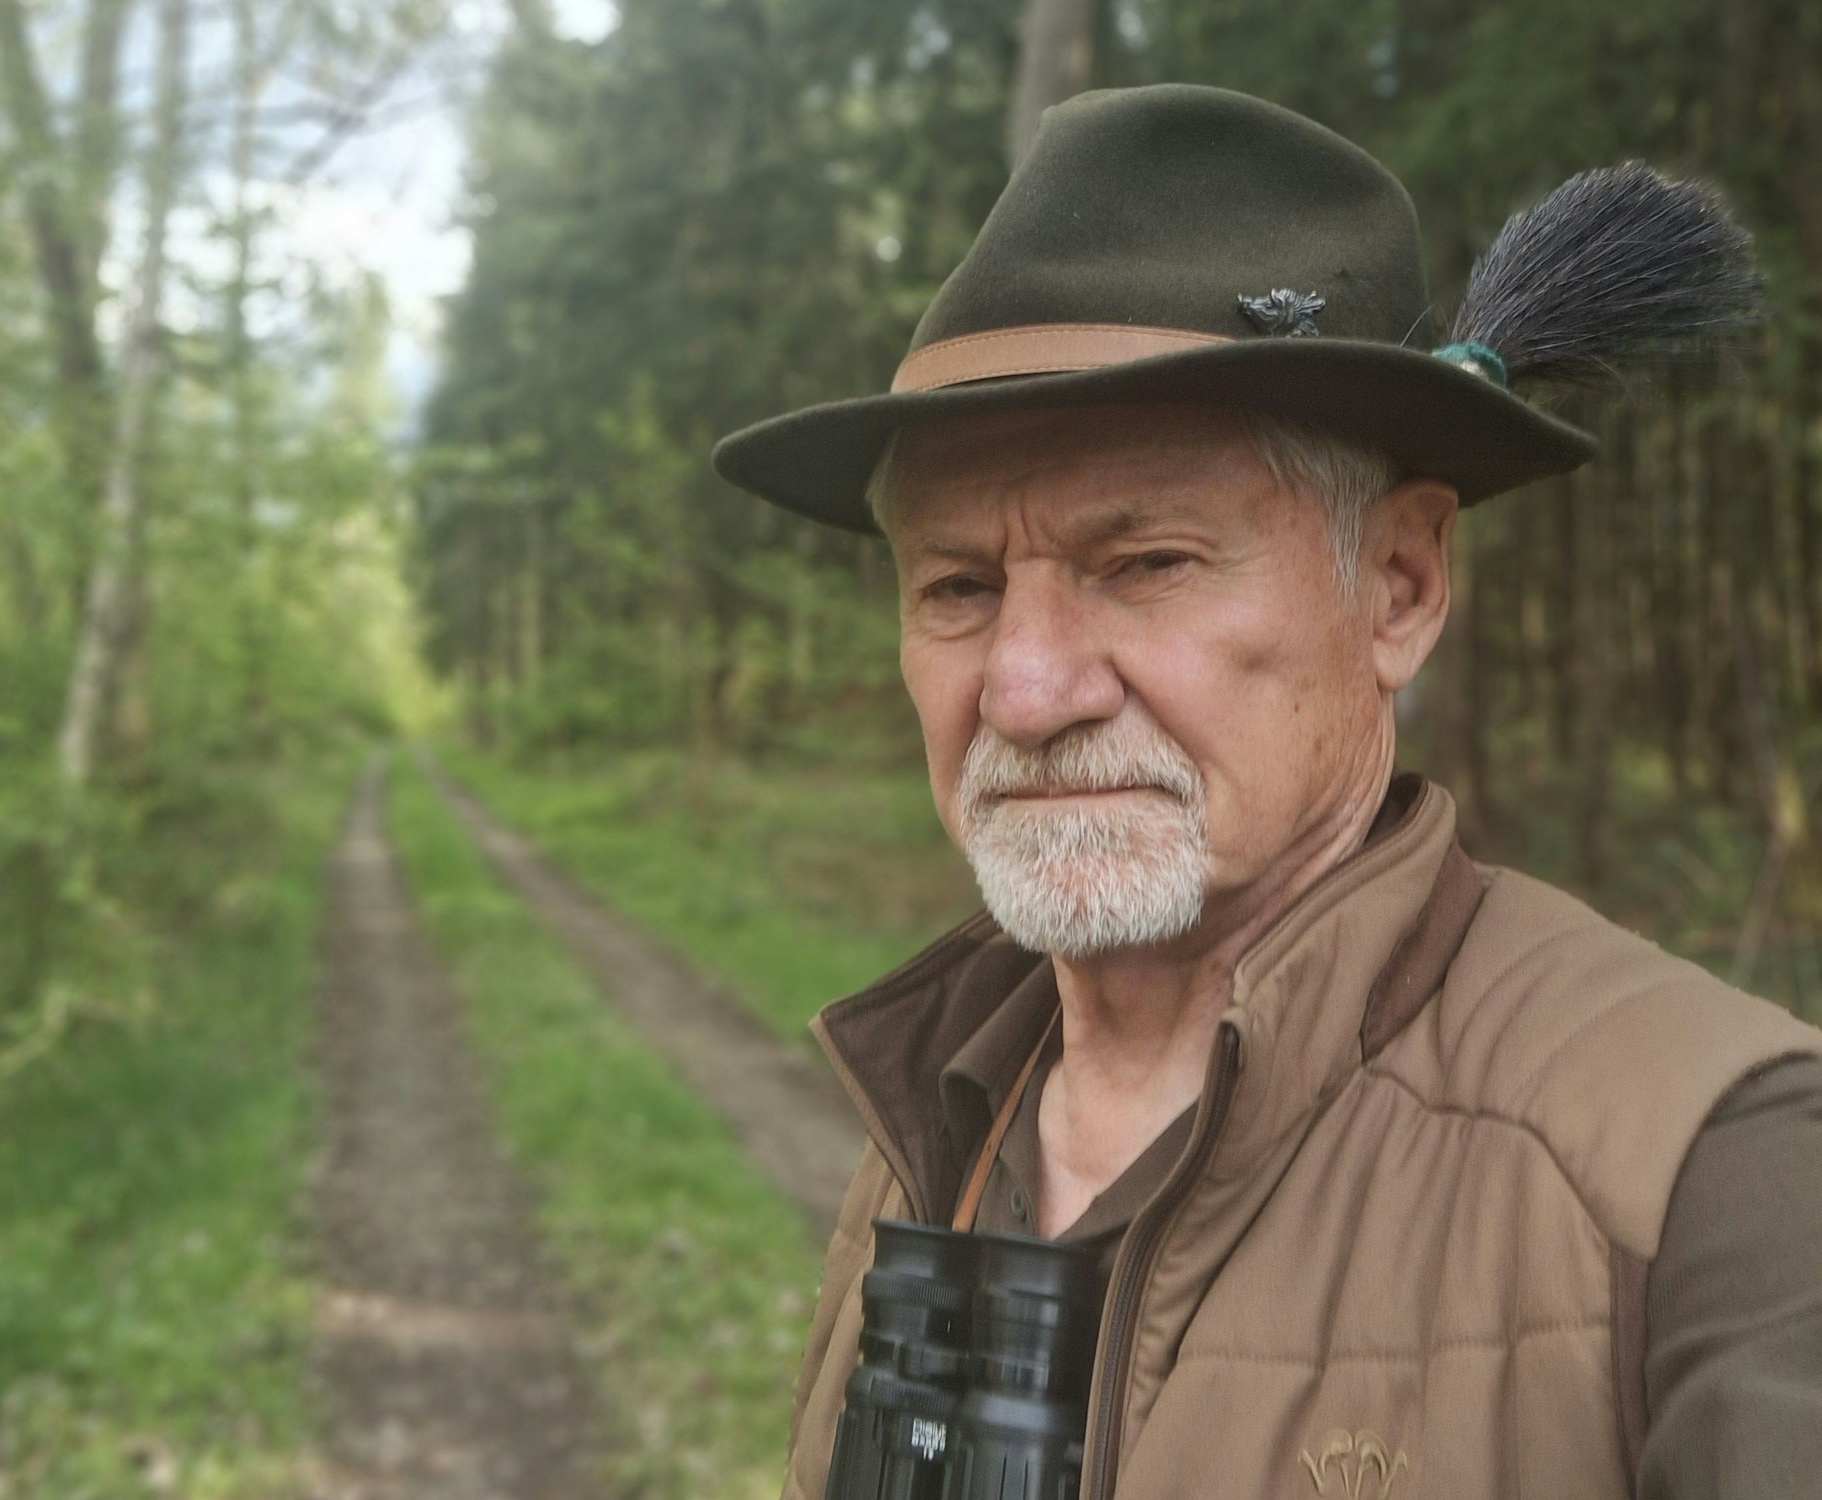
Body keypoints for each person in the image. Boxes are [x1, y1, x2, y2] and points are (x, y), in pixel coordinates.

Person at [710, 85, 1822, 1500]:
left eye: (1148, 562)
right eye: (959, 587)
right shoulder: (943, 1101)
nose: (1027, 689)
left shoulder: (1718, 1184)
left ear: (1403, 588)